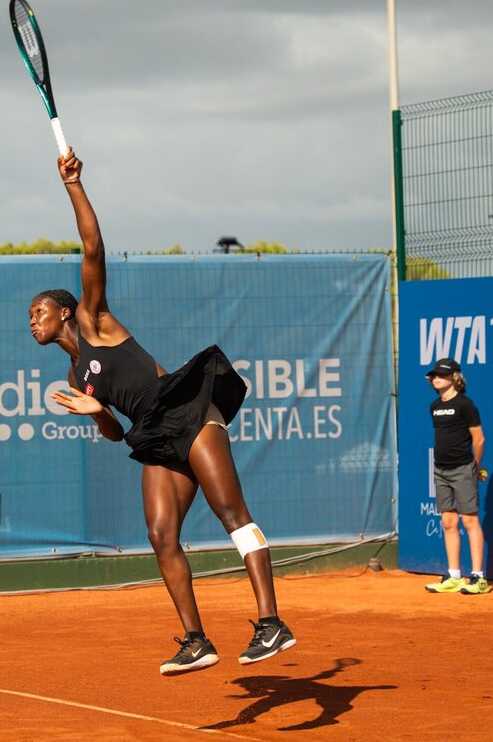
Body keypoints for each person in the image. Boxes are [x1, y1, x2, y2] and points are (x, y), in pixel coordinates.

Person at [29, 147, 296, 675]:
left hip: (186, 409)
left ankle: (272, 622)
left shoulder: (93, 319)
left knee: (231, 514)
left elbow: (92, 244)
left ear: (64, 310)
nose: (32, 321)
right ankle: (197, 640)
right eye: (29, 317)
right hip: (151, 432)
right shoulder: (73, 375)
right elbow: (111, 433)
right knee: (159, 533)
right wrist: (94, 411)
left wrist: (73, 186)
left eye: (37, 312)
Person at [424, 358, 491, 594]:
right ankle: (454, 576)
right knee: (448, 522)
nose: (436, 378)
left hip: (463, 468)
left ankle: (478, 578)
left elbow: (479, 439)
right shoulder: (434, 406)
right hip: (440, 470)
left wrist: (475, 466)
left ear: (454, 377)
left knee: (469, 521)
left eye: (441, 374)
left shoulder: (466, 405)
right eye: (434, 375)